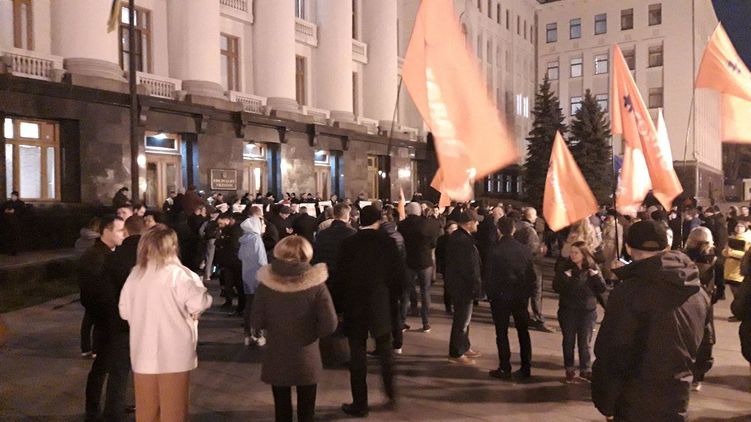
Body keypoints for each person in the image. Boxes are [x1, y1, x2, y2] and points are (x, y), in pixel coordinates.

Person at [592, 220, 710, 422]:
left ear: (628, 248)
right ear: (667, 247)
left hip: (634, 402)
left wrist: (606, 402)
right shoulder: (698, 291)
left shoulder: (628, 293)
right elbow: (705, 347)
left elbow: (613, 351)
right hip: (677, 397)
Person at [118, 224, 212, 422]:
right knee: (174, 409)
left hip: (143, 351)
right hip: (174, 353)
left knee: (146, 410)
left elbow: (124, 311)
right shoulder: (180, 275)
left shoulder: (135, 275)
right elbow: (200, 301)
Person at [251, 236, 338, 422]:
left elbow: (256, 320)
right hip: (307, 352)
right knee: (307, 409)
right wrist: (312, 333)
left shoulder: (266, 284)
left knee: (281, 408)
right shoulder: (316, 284)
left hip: (277, 352)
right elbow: (330, 323)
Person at [336, 206, 405, 417]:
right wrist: (394, 301)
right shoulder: (387, 243)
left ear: (359, 220)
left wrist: (340, 306)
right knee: (385, 352)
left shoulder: (348, 243)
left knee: (357, 355)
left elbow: (340, 277)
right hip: (380, 304)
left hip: (355, 304)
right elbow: (398, 276)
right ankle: (391, 394)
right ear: (378, 220)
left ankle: (360, 403)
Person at [78, 216, 125, 422]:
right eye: (119, 230)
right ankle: (93, 410)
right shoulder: (95, 257)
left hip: (111, 319)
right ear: (106, 231)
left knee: (112, 366)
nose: (123, 234)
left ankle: (112, 404)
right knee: (101, 367)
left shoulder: (108, 254)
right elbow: (93, 294)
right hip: (106, 321)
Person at [100, 215, 145, 422]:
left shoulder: (114, 257)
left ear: (126, 231)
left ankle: (113, 412)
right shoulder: (150, 256)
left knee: (118, 371)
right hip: (147, 322)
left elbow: (106, 292)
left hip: (120, 322)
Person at [484, 217, 535, 381]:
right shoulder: (524, 250)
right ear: (513, 230)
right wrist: (526, 293)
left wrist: (490, 295)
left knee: (501, 333)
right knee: (523, 332)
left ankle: (505, 366)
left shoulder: (495, 250)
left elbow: (489, 275)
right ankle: (526, 367)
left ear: (499, 230)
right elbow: (531, 276)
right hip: (519, 296)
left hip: (500, 297)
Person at [552, 241, 606, 384]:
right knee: (568, 341)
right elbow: (556, 287)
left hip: (587, 311)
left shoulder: (592, 268)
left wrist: (596, 276)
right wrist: (565, 277)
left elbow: (601, 288)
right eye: (572, 252)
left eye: (576, 252)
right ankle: (569, 369)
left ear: (583, 254)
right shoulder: (566, 268)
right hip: (568, 310)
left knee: (585, 342)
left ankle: (585, 369)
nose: (573, 255)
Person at [444, 210, 483, 365]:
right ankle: (456, 352)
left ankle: (464, 346)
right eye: (476, 221)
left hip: (462, 285)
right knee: (461, 320)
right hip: (462, 286)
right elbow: (467, 267)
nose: (478, 223)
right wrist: (474, 284)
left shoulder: (462, 237)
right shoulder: (461, 240)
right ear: (469, 223)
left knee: (465, 319)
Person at [683, 227, 718, 391]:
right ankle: (697, 376)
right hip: (705, 304)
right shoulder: (715, 261)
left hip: (685, 303)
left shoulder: (682, 258)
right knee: (705, 339)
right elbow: (719, 289)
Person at [398, 202, 440, 332]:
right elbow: (434, 243)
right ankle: (425, 322)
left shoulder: (402, 225)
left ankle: (402, 321)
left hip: (408, 260)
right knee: (425, 291)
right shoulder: (428, 224)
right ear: (419, 211)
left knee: (405, 292)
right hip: (425, 260)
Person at [515, 207, 552, 332]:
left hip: (519, 265)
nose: (536, 218)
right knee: (536, 292)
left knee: (523, 292)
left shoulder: (517, 227)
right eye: (535, 215)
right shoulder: (530, 231)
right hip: (532, 266)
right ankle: (538, 318)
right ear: (531, 216)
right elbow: (532, 251)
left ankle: (523, 316)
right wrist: (541, 250)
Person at [239, 215, 269, 347]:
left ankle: (248, 334)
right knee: (259, 307)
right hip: (257, 276)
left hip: (246, 275)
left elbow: (240, 256)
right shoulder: (257, 239)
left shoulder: (244, 239)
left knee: (249, 304)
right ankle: (258, 334)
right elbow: (261, 260)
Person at [724, 221, 751, 313]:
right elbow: (725, 250)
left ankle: (740, 312)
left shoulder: (747, 240)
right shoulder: (732, 238)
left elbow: (746, 255)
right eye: (737, 226)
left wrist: (732, 253)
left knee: (738, 293)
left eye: (741, 226)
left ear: (745, 229)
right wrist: (725, 252)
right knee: (733, 290)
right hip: (729, 267)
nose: (739, 228)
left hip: (738, 268)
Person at [435, 221, 458, 314]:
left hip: (456, 265)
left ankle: (454, 305)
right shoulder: (442, 239)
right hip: (447, 265)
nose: (454, 230)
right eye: (451, 228)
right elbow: (438, 252)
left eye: (455, 228)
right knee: (448, 286)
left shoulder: (459, 238)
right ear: (447, 229)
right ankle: (448, 306)